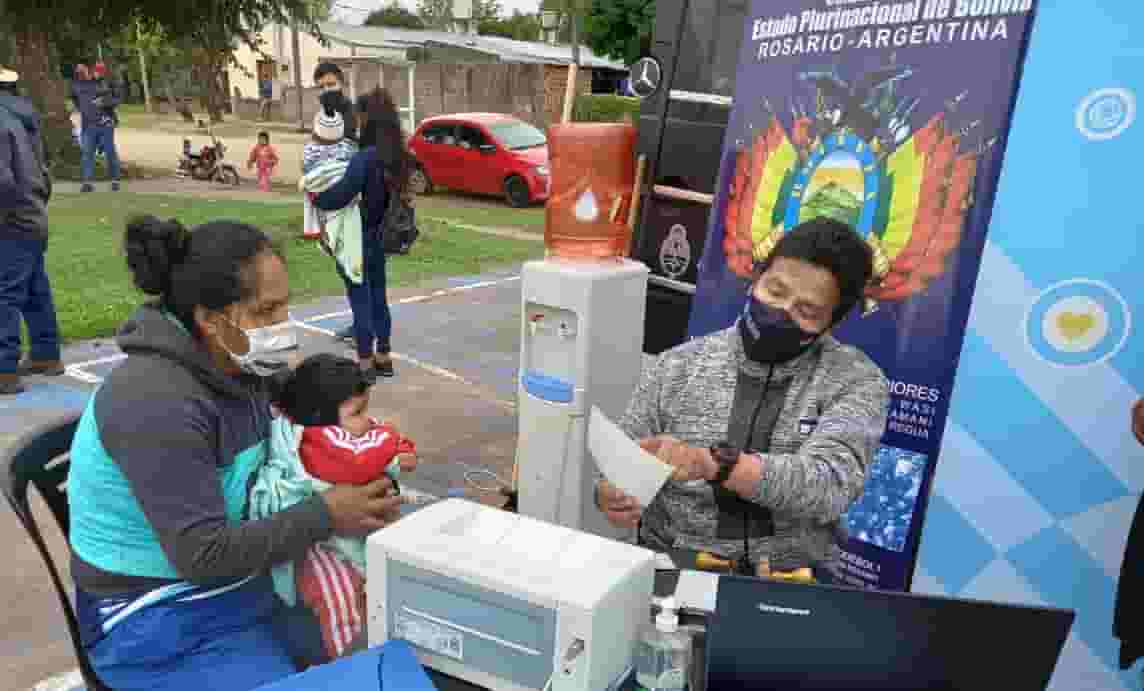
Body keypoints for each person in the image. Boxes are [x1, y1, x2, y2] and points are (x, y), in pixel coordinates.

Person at [66, 215, 405, 690]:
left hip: (238, 584)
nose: (282, 328)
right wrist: (326, 513)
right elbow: (203, 556)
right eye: (266, 312)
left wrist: (365, 448)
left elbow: (312, 417)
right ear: (209, 318)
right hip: (157, 618)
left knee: (398, 637)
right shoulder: (155, 403)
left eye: (284, 308)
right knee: (368, 655)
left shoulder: (241, 366)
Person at [595, 217, 890, 582]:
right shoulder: (679, 364)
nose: (782, 312)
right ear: (756, 279)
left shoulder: (856, 379)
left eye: (806, 311)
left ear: (831, 323)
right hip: (672, 570)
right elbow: (625, 454)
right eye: (775, 291)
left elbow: (830, 485)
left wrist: (717, 466)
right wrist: (610, 490)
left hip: (790, 584)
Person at [251, 353, 418, 659]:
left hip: (342, 532)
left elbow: (370, 440)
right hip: (320, 548)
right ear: (320, 415)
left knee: (373, 584)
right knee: (338, 596)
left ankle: (373, 635)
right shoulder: (317, 439)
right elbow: (359, 461)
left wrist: (392, 447)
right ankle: (348, 657)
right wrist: (393, 444)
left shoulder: (332, 427)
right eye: (358, 412)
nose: (368, 420)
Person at [313, 89, 412, 381]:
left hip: (358, 237)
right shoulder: (397, 157)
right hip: (383, 237)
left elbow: (343, 193)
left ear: (369, 119)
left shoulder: (365, 158)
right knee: (379, 297)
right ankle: (384, 357)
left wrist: (317, 198)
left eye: (360, 116)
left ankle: (365, 363)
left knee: (360, 299)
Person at [0, 66, 62, 396]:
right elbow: (43, 172)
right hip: (33, 214)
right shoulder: (24, 118)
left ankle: (4, 369)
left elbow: (2, 181)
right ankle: (45, 354)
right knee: (35, 288)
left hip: (11, 218)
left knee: (5, 294)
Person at [70, 62, 122, 193]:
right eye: (78, 72)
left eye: (83, 70)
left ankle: (115, 180)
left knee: (110, 152)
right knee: (87, 153)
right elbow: (77, 101)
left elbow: (116, 99)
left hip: (105, 124)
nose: (81, 73)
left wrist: (104, 102)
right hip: (88, 125)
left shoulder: (104, 83)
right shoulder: (76, 86)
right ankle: (87, 182)